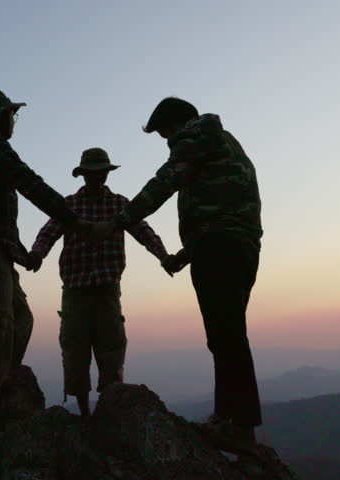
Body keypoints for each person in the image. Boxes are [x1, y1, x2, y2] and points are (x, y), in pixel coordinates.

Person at [104, 97, 264, 454]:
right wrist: (186, 254)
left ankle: (241, 429)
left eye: (164, 134)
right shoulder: (223, 144)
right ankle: (230, 419)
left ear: (177, 124)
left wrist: (119, 221)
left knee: (227, 335)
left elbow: (165, 181)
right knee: (226, 333)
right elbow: (223, 205)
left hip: (220, 248)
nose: (167, 142)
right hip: (236, 246)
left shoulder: (195, 137)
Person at [0, 89, 87, 437]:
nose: (14, 120)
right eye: (11, 114)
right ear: (1, 117)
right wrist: (71, 218)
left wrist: (23, 253)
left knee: (20, 320)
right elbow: (31, 184)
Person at [26, 147, 171, 416]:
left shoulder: (120, 204)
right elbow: (47, 233)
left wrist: (163, 256)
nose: (97, 177)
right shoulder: (68, 206)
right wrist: (37, 254)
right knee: (75, 353)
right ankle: (85, 415)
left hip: (106, 290)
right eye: (92, 173)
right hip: (75, 289)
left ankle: (109, 413)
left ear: (106, 173)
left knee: (112, 349)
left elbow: (144, 232)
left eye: (100, 172)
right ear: (83, 175)